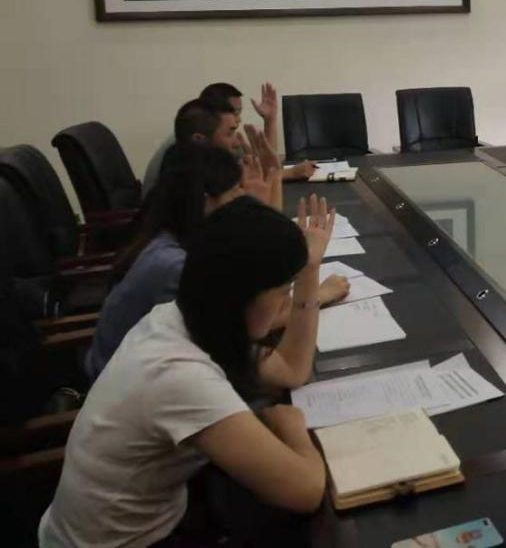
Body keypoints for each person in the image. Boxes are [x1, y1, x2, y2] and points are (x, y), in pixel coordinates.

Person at [40, 195, 335, 548]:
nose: (286, 302)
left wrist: (310, 271)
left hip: (145, 520)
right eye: (284, 291)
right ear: (243, 295)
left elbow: (290, 370)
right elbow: (306, 490)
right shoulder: (179, 376)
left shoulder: (181, 317)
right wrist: (292, 426)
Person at [85, 139, 349, 380]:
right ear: (205, 201)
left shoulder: (174, 238)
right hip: (125, 382)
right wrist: (318, 294)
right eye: (236, 191)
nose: (242, 197)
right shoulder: (179, 266)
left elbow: (266, 275)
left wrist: (260, 212)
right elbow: (264, 332)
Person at [142, 82, 315, 195]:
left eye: (238, 112)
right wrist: (288, 173)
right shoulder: (184, 160)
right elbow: (250, 182)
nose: (238, 119)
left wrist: (270, 120)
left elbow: (259, 170)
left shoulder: (209, 142)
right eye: (234, 112)